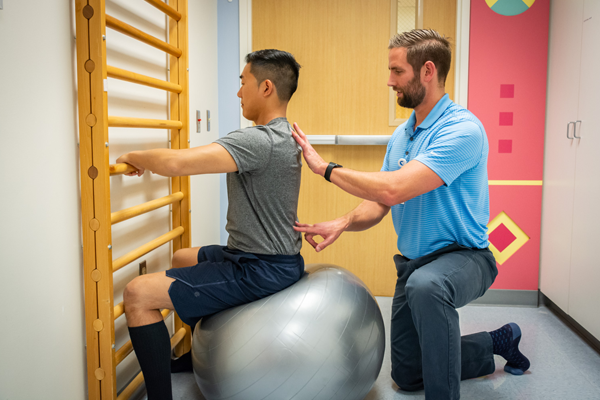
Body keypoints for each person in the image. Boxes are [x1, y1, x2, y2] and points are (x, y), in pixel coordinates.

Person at [291, 29, 530, 400]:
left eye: (397, 71)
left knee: (428, 287)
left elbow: (393, 188)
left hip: (465, 259)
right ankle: (497, 342)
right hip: (414, 263)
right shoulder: (403, 134)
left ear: (428, 71)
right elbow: (382, 202)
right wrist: (345, 221)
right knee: (406, 373)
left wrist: (326, 168)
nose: (390, 81)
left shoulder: (463, 129)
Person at [116, 49, 304, 400]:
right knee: (183, 257)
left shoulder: (258, 140)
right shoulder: (285, 135)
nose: (238, 93)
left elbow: (177, 164)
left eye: (242, 83)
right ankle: (195, 356)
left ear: (265, 88)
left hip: (260, 268)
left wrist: (132, 156)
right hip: (262, 258)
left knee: (137, 294)